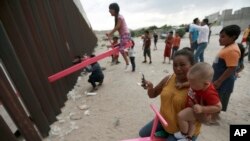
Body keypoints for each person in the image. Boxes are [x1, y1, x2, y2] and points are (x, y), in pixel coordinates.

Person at [139, 49, 201, 141]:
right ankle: (166, 132)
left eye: (182, 65)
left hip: (182, 130)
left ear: (192, 66)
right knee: (142, 133)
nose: (178, 68)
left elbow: (208, 113)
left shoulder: (198, 86)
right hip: (164, 121)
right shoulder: (169, 79)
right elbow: (152, 94)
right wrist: (150, 87)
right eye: (175, 65)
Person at [174, 62, 222, 141]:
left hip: (196, 109)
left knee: (181, 116)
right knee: (191, 123)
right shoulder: (197, 83)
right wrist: (182, 85)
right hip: (194, 107)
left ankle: (183, 134)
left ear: (206, 84)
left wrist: (202, 109)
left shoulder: (209, 92)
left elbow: (218, 107)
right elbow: (189, 82)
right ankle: (189, 138)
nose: (190, 85)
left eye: (192, 84)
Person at [212, 25, 241, 111]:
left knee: (218, 101)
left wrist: (219, 81)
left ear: (233, 37)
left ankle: (215, 118)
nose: (220, 39)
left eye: (223, 37)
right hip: (218, 80)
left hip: (223, 83)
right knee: (214, 98)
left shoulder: (232, 50)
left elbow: (231, 68)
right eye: (220, 36)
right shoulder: (227, 47)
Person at [106, 3, 130, 70]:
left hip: (125, 34)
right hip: (123, 35)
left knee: (121, 49)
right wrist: (110, 34)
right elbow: (116, 28)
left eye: (110, 9)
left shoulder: (120, 17)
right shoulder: (116, 18)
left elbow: (117, 27)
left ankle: (128, 63)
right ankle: (127, 57)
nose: (109, 11)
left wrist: (110, 33)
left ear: (114, 9)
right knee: (118, 46)